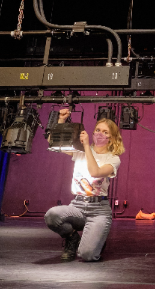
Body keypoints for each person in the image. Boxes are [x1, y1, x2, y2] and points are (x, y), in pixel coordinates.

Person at [43, 108, 123, 262]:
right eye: (97, 130)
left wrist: (87, 147)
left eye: (105, 132)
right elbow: (54, 141)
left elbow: (95, 172)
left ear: (112, 138)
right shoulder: (79, 151)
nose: (100, 133)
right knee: (52, 216)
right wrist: (61, 121)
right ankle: (72, 238)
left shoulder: (113, 159)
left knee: (88, 255)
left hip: (98, 210)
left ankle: (96, 236)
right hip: (77, 206)